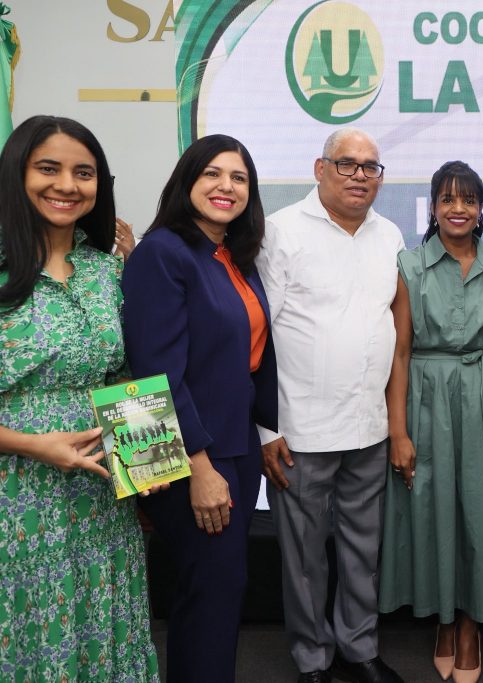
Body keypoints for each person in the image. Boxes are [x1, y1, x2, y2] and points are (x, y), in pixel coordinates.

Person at [0, 115, 159, 680]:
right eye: (48, 168)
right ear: (17, 175)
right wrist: (35, 446)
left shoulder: (109, 272)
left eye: (83, 173)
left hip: (101, 500)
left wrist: (146, 465)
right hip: (16, 498)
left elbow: (126, 376)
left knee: (98, 618)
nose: (67, 185)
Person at [122, 134, 278, 682]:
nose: (225, 187)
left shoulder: (231, 256)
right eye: (212, 173)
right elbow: (154, 371)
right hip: (192, 456)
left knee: (216, 591)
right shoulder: (162, 251)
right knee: (209, 594)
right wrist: (200, 467)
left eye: (238, 178)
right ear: (187, 180)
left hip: (233, 444)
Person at [256, 128, 405, 683]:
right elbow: (259, 336)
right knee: (304, 559)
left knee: (363, 553)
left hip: (368, 426)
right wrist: (265, 429)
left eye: (371, 167)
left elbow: (392, 327)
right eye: (348, 164)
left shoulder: (389, 235)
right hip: (300, 430)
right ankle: (312, 659)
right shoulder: (281, 232)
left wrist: (395, 424)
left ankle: (359, 649)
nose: (360, 176)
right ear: (320, 169)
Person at [379, 160, 483, 683]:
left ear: (481, 209)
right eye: (447, 199)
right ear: (434, 207)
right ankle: (441, 618)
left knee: (481, 510)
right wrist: (398, 431)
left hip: (481, 397)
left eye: (468, 200)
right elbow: (399, 352)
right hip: (425, 398)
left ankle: (468, 624)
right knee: (431, 508)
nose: (458, 209)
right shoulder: (410, 266)